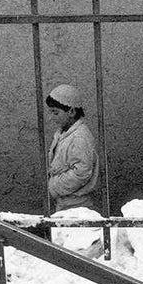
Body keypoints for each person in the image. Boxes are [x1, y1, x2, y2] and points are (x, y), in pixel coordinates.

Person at [44, 84, 100, 213]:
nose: (51, 117)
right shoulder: (63, 133)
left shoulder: (79, 137)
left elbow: (81, 172)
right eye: (50, 112)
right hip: (66, 203)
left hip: (77, 206)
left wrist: (53, 186)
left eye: (55, 112)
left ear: (71, 111)